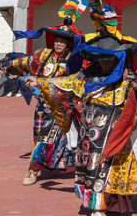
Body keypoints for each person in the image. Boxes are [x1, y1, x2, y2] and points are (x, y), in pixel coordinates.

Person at [27, 0, 137, 216]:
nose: (104, 63)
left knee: (110, 166)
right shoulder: (88, 74)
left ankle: (109, 205)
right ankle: (95, 206)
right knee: (92, 166)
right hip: (91, 132)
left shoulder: (126, 79)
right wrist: (40, 83)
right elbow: (65, 83)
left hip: (115, 132)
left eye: (108, 59)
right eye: (100, 58)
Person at [11, 14, 83, 186]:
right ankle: (36, 168)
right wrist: (9, 64)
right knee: (40, 137)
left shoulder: (73, 60)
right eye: (57, 40)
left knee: (64, 139)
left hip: (63, 106)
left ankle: (38, 168)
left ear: (68, 44)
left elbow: (73, 82)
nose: (58, 44)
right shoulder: (44, 56)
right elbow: (26, 62)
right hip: (43, 106)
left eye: (62, 41)